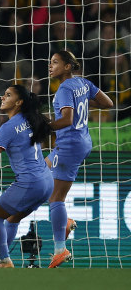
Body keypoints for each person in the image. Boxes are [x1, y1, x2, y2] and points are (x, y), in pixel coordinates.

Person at [0, 84, 54, 268]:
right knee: (13, 217)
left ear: (19, 102)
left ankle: (4, 259)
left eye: (8, 95)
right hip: (47, 182)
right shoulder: (30, 119)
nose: (2, 97)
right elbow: (18, 131)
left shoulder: (9, 127)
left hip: (29, 182)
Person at [45, 50, 113, 268]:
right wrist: (82, 100)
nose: (50, 65)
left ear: (67, 67)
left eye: (55, 62)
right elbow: (107, 103)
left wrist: (43, 127)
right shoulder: (83, 83)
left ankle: (59, 250)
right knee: (39, 174)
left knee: (55, 198)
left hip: (69, 146)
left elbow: (66, 119)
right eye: (50, 62)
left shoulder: (64, 88)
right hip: (81, 141)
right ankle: (65, 221)